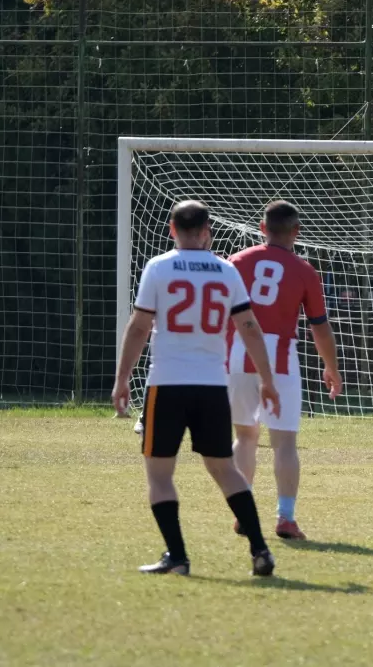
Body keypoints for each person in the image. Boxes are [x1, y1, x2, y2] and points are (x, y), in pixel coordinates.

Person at [111, 200, 277, 576]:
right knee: (224, 468)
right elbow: (249, 327)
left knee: (159, 475)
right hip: (211, 386)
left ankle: (178, 557)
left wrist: (122, 379)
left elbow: (139, 328)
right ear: (207, 230)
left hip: (167, 384)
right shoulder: (225, 270)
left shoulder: (158, 267)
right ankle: (260, 549)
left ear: (172, 229)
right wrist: (266, 379)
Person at [228, 201, 343, 541]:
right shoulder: (305, 271)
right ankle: (286, 518)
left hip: (238, 352)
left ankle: (242, 513)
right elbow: (319, 327)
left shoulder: (237, 261)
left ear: (262, 229)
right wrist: (331, 368)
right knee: (284, 443)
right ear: (297, 231)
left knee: (245, 436)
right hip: (280, 357)